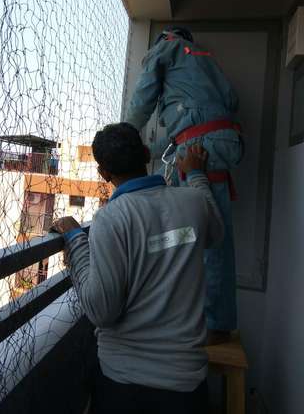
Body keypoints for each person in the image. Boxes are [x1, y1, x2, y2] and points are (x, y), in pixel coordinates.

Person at [52, 122, 223, 414]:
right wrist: (196, 175)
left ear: (103, 174)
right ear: (146, 154)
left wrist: (76, 240)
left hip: (124, 386)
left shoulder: (111, 219)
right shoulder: (193, 203)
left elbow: (101, 311)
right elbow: (214, 234)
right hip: (186, 387)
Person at [124, 26, 243, 339]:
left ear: (165, 36)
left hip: (201, 148)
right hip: (219, 143)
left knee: (198, 236)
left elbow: (142, 98)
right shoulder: (205, 60)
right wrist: (163, 145)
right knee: (213, 234)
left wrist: (122, 136)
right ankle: (210, 318)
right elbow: (227, 103)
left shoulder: (166, 48)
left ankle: (212, 324)